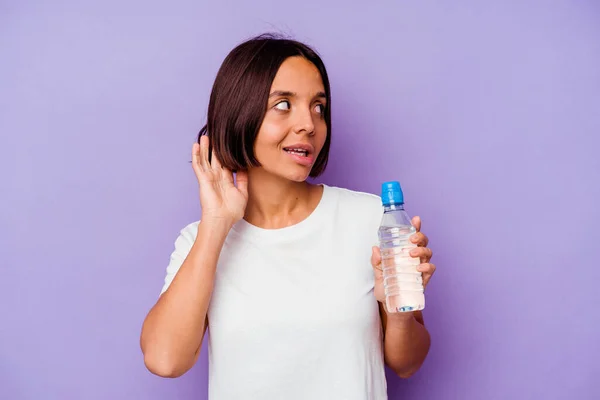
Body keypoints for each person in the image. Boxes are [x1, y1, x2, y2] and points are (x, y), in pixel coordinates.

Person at [140, 33, 436, 400]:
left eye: (318, 107)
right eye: (283, 104)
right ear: (240, 113)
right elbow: (165, 360)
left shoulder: (371, 218)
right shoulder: (199, 242)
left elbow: (407, 362)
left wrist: (400, 306)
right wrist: (216, 225)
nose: (309, 124)